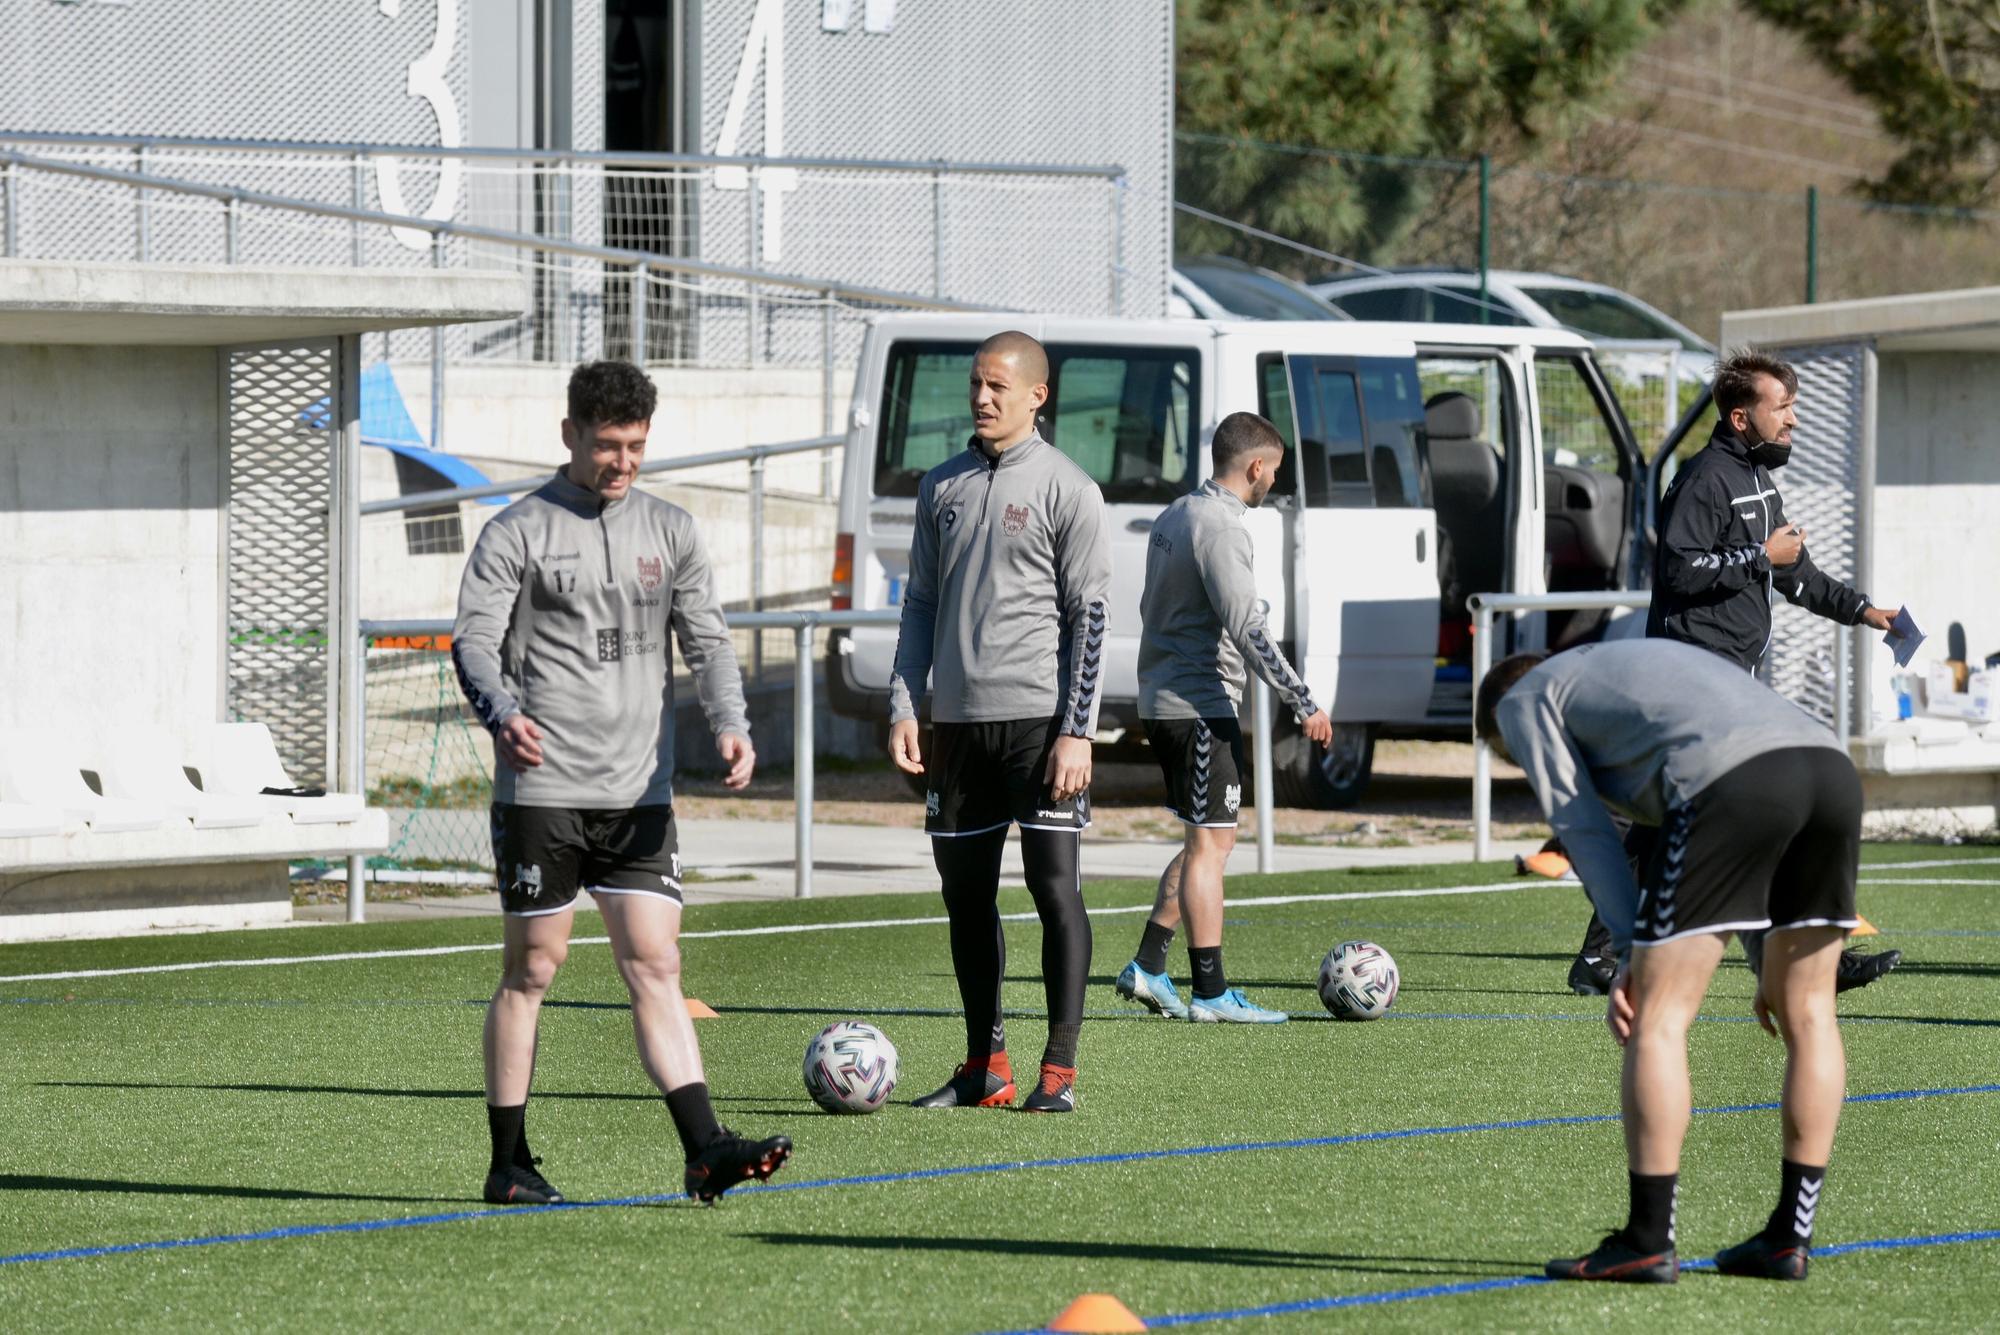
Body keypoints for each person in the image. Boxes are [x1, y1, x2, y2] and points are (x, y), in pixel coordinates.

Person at [453, 360, 790, 1204]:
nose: (622, 461)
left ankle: (705, 1146)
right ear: (569, 435)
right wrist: (501, 711)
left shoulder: (670, 530)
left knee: (656, 961)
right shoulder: (517, 532)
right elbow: (473, 642)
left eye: (636, 445)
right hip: (545, 793)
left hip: (640, 794)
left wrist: (731, 723)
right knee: (534, 968)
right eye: (607, 445)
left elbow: (708, 643)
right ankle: (509, 1161)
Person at [1479, 640, 1859, 1283]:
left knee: (1656, 1018)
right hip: (1830, 770)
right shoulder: (1626, 669)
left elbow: (1586, 829)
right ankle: (1789, 1239)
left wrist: (1628, 951)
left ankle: (1648, 1240)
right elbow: (1735, 827)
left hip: (1732, 779)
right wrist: (1765, 954)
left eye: (1511, 759)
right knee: (1812, 1016)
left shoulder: (1524, 698)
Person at [1565, 348, 1900, 999]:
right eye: (1784, 409)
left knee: (1664, 826)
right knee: (1768, 811)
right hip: (1693, 683)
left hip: (1728, 684)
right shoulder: (1702, 480)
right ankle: (1812, 964)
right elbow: (1677, 574)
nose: (1794, 422)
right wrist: (1757, 555)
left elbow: (1792, 575)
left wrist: (1864, 610)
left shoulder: (1756, 480)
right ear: (1742, 417)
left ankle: (1601, 957)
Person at [888, 330, 1110, 1113]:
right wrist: (906, 702)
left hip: (1040, 728)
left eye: (997, 388)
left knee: (1055, 890)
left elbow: (1091, 615)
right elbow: (919, 604)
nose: (982, 399)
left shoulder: (1069, 488)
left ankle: (1059, 1071)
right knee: (965, 898)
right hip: (957, 729)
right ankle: (987, 1065)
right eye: (976, 385)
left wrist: (1077, 730)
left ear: (1036, 396)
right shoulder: (940, 486)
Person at [1115, 411, 1330, 1023]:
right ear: (1256, 466)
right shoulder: (1221, 526)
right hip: (1198, 707)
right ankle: (1211, 992)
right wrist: (1303, 701)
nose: (1273, 483)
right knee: (1210, 844)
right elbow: (1248, 627)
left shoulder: (1177, 512)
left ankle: (1149, 967)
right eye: (1274, 472)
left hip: (1167, 700)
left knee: (1209, 839)